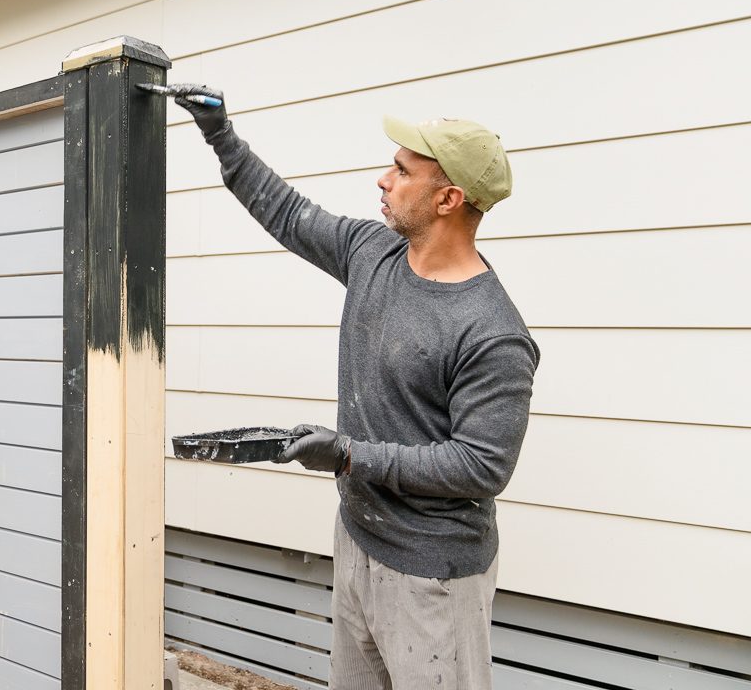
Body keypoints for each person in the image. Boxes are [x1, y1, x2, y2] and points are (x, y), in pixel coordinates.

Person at [171, 83, 539, 690]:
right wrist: (221, 136)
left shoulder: (492, 332)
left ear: (448, 198)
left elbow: (481, 466)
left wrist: (348, 455)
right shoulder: (374, 252)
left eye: (403, 171)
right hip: (358, 536)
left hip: (433, 573)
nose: (383, 180)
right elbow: (287, 212)